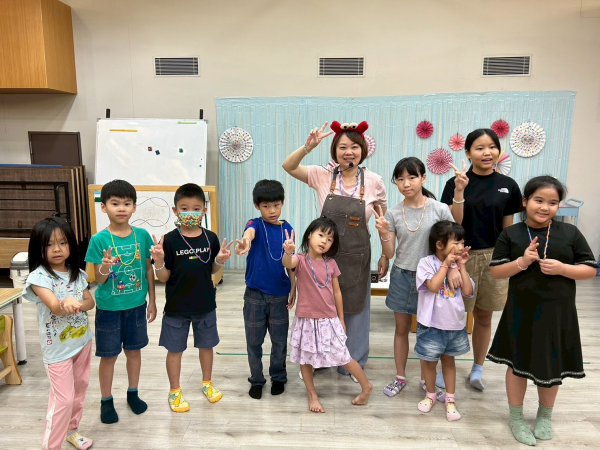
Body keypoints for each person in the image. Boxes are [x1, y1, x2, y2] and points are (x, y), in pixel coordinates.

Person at [487, 176, 597, 446]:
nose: (545, 207)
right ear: (525, 201)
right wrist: (522, 262)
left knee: (551, 365)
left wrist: (563, 269)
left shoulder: (570, 233)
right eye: (539, 200)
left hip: (558, 313)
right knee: (516, 365)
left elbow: (590, 270)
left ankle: (544, 417)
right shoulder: (511, 233)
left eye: (553, 202)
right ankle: (515, 417)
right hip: (520, 311)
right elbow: (496, 272)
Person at [282, 121, 388, 379]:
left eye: (354, 147)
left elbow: (381, 218)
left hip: (357, 257)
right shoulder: (322, 175)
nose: (348, 152)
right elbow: (288, 166)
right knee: (321, 308)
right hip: (322, 257)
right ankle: (318, 358)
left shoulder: (374, 181)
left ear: (363, 150)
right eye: (342, 147)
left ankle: (352, 360)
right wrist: (308, 147)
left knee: (356, 309)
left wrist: (385, 253)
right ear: (334, 151)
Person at [439, 129, 522, 391]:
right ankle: (445, 366)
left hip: (494, 257)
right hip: (460, 255)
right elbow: (453, 224)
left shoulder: (508, 185)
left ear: (498, 151)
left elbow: (508, 229)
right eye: (479, 148)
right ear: (467, 153)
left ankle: (477, 368)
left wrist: (509, 261)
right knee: (452, 315)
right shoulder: (454, 183)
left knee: (484, 316)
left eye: (492, 147)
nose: (487, 152)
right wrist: (460, 191)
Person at [372, 157, 457, 401]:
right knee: (401, 329)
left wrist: (452, 268)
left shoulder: (439, 209)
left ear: (423, 178)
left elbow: (452, 243)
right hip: (402, 275)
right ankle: (400, 377)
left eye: (411, 177)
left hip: (432, 277)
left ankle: (425, 380)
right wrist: (383, 233)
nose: (406, 183)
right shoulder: (392, 213)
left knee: (427, 332)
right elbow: (390, 253)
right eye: (400, 179)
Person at [150, 183, 233, 411]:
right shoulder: (169, 240)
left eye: (196, 209)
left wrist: (219, 261)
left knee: (207, 346)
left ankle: (207, 383)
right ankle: (174, 391)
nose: (191, 213)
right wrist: (159, 262)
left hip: (205, 305)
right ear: (175, 211)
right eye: (184, 208)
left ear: (204, 210)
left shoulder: (210, 238)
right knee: (174, 350)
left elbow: (211, 270)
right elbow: (164, 277)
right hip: (176, 308)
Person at [282, 218, 373, 412]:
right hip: (306, 320)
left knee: (343, 356)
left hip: (329, 320)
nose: (324, 241)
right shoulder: (300, 259)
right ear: (310, 235)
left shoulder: (331, 264)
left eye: (330, 239)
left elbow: (337, 293)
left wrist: (341, 319)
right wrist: (288, 252)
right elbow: (288, 263)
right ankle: (312, 394)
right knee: (306, 359)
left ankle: (366, 386)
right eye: (321, 235)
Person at [85, 179, 156, 424]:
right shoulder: (99, 240)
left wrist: (152, 301)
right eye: (115, 203)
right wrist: (104, 267)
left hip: (137, 306)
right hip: (109, 309)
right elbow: (99, 280)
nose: (121, 208)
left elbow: (148, 269)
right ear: (103, 207)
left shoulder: (142, 236)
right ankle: (106, 400)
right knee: (109, 356)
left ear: (134, 207)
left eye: (127, 203)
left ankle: (132, 393)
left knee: (134, 352)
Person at [23, 217, 95, 450]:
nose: (57, 249)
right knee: (63, 399)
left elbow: (90, 302)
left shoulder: (77, 273)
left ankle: (72, 430)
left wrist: (78, 303)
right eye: (49, 244)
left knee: (79, 390)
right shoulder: (38, 278)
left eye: (62, 243)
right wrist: (67, 302)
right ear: (38, 248)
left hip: (82, 342)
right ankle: (52, 446)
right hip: (57, 351)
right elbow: (54, 306)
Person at [235, 180, 296, 399]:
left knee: (279, 341)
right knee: (254, 341)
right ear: (257, 206)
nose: (272, 211)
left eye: (276, 205)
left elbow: (291, 264)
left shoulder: (287, 229)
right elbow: (249, 233)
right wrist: (245, 241)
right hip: (255, 294)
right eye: (266, 206)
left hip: (280, 294)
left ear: (282, 203)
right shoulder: (255, 224)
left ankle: (278, 376)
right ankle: (257, 379)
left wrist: (294, 288)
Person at [414, 221, 474, 421]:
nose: (461, 246)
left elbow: (467, 291)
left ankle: (450, 400)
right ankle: (430, 395)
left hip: (454, 326)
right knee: (429, 363)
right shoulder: (425, 263)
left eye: (462, 242)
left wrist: (461, 267)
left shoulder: (458, 267)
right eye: (456, 242)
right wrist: (447, 265)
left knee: (449, 362)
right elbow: (432, 286)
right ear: (439, 244)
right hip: (431, 326)